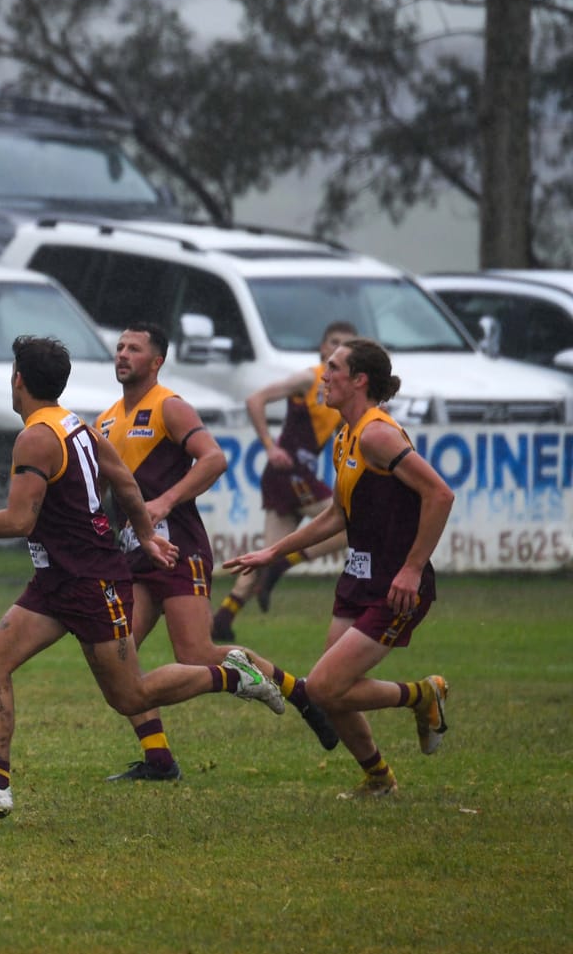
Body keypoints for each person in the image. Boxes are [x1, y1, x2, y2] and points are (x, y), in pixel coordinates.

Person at [0, 336, 286, 819]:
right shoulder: (77, 426)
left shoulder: (37, 437)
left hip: (90, 582)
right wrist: (146, 534)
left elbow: (20, 520)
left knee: (130, 695)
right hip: (55, 580)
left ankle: (233, 676)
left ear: (18, 379)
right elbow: (124, 479)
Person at [94, 322, 343, 778]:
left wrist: (165, 501)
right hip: (136, 554)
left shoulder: (169, 406)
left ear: (157, 361)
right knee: (117, 659)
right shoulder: (105, 420)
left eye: (134, 348)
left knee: (196, 653)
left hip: (179, 547)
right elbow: (101, 492)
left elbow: (214, 459)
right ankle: (159, 760)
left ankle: (298, 692)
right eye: (120, 347)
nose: (123, 354)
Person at [225, 338, 453, 798]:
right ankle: (379, 778)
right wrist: (272, 554)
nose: (323, 376)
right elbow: (336, 516)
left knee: (325, 689)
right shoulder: (346, 435)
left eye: (332, 368)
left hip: (395, 584)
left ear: (359, 380)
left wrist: (412, 569)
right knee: (334, 692)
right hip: (358, 577)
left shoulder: (376, 435)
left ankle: (422, 694)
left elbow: (440, 494)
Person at [213, 320, 359, 639]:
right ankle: (282, 565)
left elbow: (344, 433)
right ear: (322, 348)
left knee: (267, 552)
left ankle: (223, 617)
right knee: (352, 521)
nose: (337, 349)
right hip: (289, 472)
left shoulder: (339, 394)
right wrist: (269, 446)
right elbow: (255, 399)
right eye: (333, 342)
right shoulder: (309, 378)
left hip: (292, 475)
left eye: (346, 345)